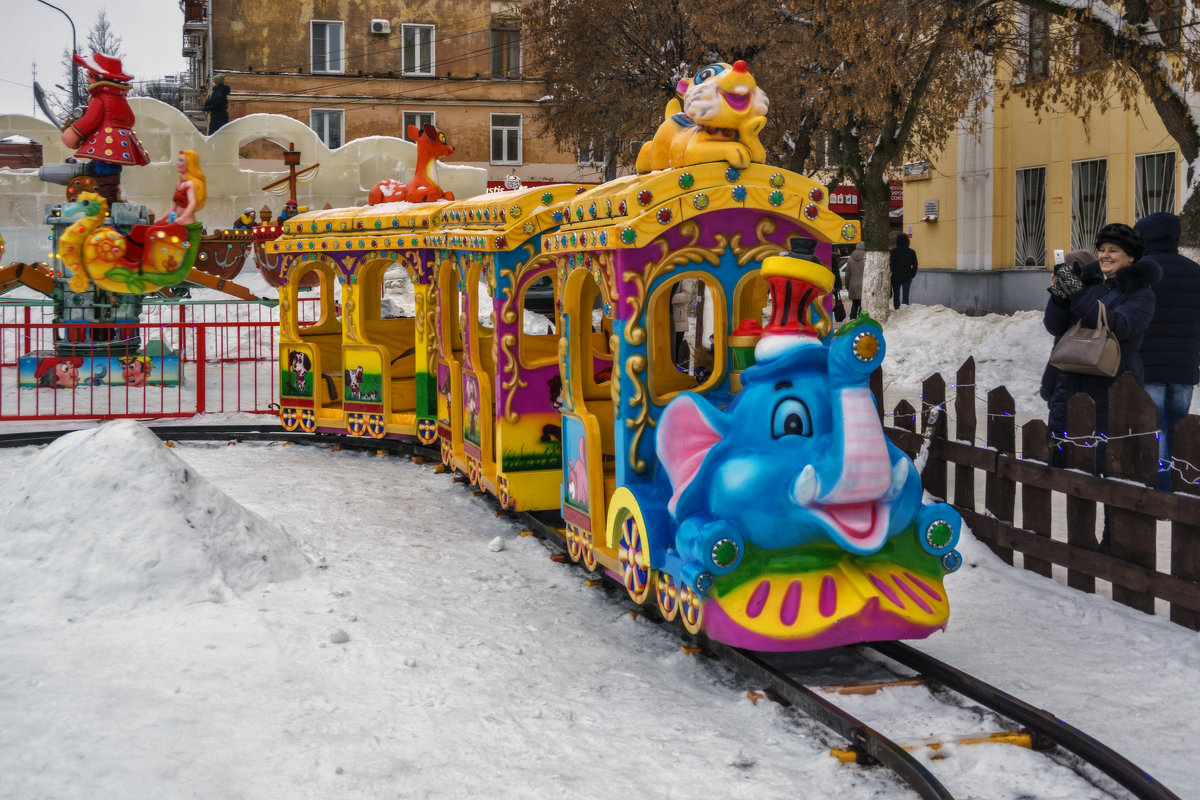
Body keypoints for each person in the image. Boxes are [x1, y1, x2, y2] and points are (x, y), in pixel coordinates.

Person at [1135, 212, 1200, 491]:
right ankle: (1179, 486)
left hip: (1148, 365)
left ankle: (1160, 488)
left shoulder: (1140, 271)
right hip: (1185, 365)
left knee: (1154, 430)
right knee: (1179, 429)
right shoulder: (1195, 271)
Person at [60, 52, 151, 206]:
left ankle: (107, 202)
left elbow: (90, 120)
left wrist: (73, 132)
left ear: (93, 76)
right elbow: (131, 119)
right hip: (119, 145)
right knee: (109, 170)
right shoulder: (119, 98)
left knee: (104, 170)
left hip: (104, 144)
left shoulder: (100, 98)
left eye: (89, 73)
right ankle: (110, 195)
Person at [1039, 249, 1095, 404]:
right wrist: (1058, 293)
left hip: (1083, 370)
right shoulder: (1064, 294)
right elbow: (1054, 327)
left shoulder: (1095, 295)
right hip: (1060, 371)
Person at [163, 150, 207, 225]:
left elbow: (192, 203)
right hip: (179, 223)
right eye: (178, 160)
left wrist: (182, 218)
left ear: (189, 164)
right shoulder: (179, 184)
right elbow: (174, 206)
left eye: (181, 161)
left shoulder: (189, 184)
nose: (178, 163)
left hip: (188, 224)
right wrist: (163, 218)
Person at [889, 233, 918, 309]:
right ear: (907, 242)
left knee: (896, 295)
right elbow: (915, 264)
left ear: (897, 242)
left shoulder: (893, 252)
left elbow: (890, 265)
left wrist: (892, 272)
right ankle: (904, 310)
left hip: (895, 276)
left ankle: (897, 308)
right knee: (905, 295)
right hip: (907, 276)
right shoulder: (911, 252)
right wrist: (912, 274)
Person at [843, 242, 866, 319]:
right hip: (864, 284)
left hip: (853, 284)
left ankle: (852, 318)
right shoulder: (866, 258)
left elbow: (847, 274)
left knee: (855, 303)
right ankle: (861, 320)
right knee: (862, 304)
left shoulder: (850, 259)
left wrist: (847, 285)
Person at [671, 282, 690, 368]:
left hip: (678, 320)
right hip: (665, 317)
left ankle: (677, 370)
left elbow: (687, 295)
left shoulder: (684, 276)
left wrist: (670, 298)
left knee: (676, 349)